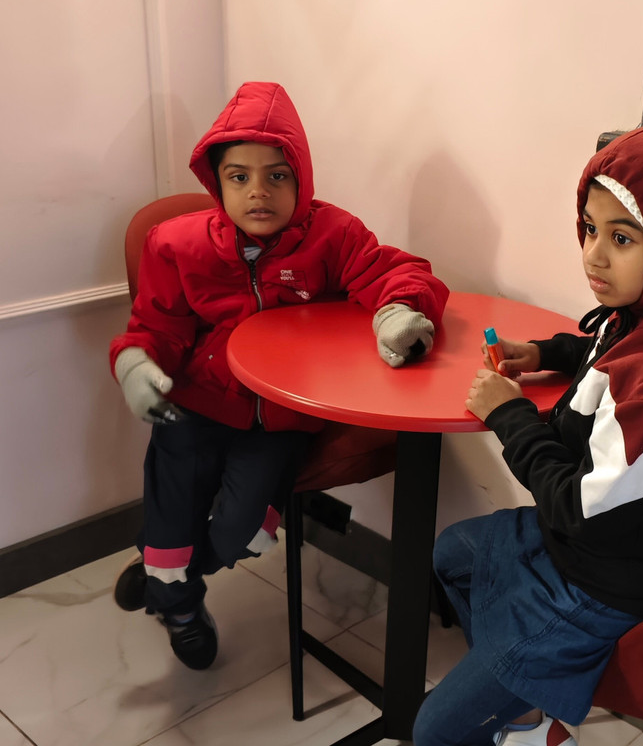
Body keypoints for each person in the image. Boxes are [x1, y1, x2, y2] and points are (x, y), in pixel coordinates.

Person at [413, 125, 643, 746]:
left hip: (612, 582)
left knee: (434, 732)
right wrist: (543, 352)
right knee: (452, 554)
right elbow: (600, 348)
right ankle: (526, 711)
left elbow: (576, 506)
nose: (593, 255)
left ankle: (528, 695)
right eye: (590, 229)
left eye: (621, 238)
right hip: (590, 548)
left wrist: (509, 415)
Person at [108, 81, 449, 670]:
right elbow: (155, 325)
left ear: (302, 179)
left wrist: (396, 310)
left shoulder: (333, 234)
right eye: (239, 176)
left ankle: (163, 578)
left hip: (281, 417)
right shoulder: (177, 244)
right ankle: (179, 608)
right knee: (171, 518)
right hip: (193, 403)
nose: (258, 191)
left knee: (240, 534)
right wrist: (136, 362)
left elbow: (397, 271)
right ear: (217, 183)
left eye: (277, 175)